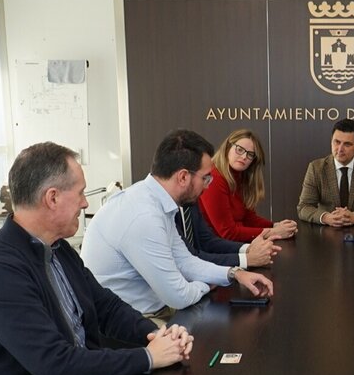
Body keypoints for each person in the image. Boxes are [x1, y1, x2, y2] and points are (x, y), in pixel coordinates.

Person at [0, 142, 194, 375]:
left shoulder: (56, 247)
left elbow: (105, 306)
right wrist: (147, 356)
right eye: (81, 192)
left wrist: (157, 335)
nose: (85, 203)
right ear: (52, 198)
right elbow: (56, 366)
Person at [82, 129, 273, 318]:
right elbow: (179, 296)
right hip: (131, 324)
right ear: (183, 177)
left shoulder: (155, 201)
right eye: (206, 178)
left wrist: (234, 274)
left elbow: (185, 261)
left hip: (150, 310)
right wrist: (208, 284)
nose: (208, 185)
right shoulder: (144, 217)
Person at [198, 129, 297, 242]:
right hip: (218, 248)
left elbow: (248, 218)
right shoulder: (214, 178)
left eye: (250, 154)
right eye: (239, 150)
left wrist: (276, 226)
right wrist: (273, 232)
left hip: (236, 244)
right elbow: (228, 233)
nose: (244, 156)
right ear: (227, 148)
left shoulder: (239, 177)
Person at [296, 118, 354, 226]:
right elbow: (304, 207)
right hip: (325, 233)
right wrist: (326, 217)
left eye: (347, 144)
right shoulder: (316, 168)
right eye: (337, 142)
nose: (340, 149)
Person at [175, 202, 280, 268]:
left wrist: (248, 248)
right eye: (205, 178)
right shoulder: (167, 211)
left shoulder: (190, 200)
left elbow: (208, 241)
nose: (207, 186)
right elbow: (191, 258)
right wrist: (246, 259)